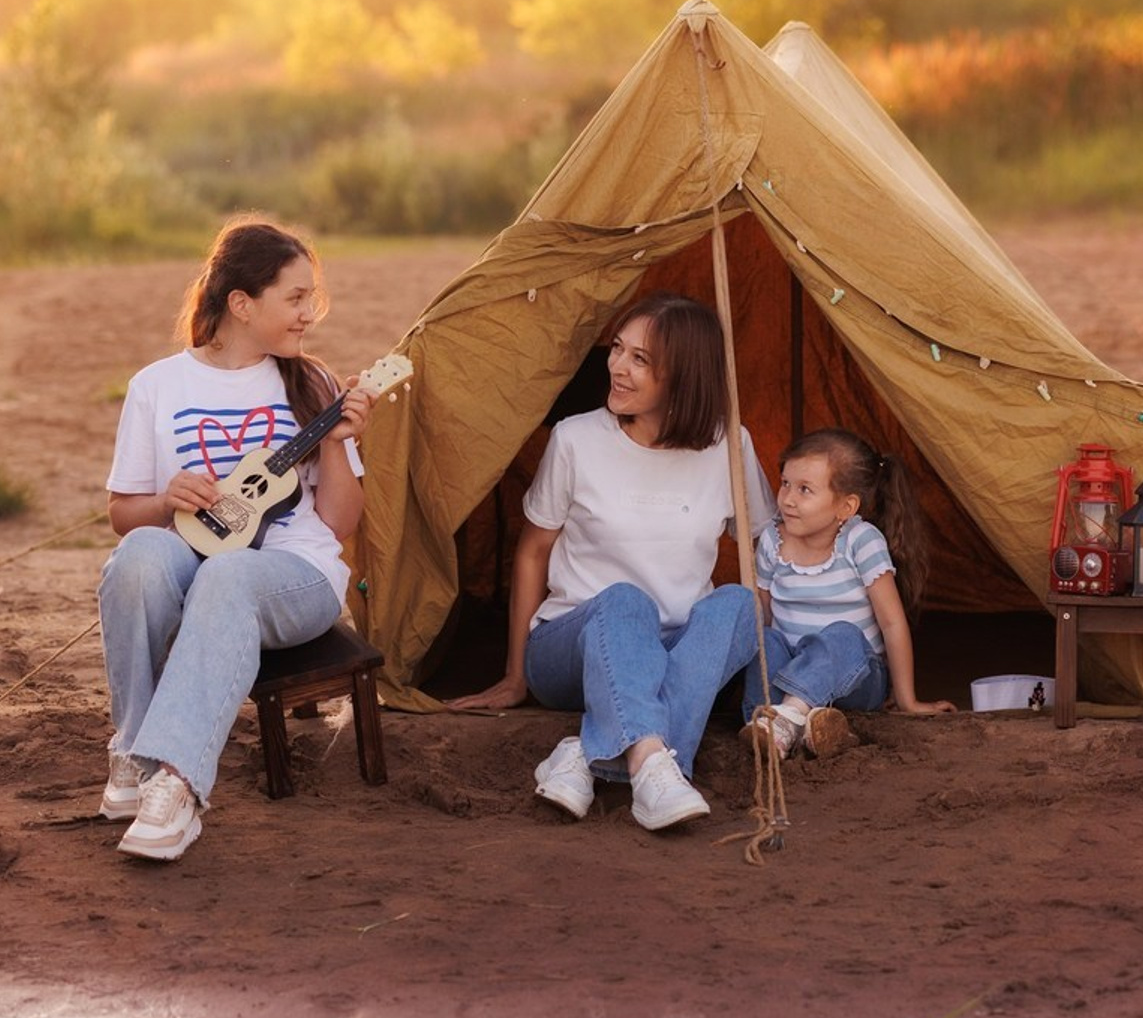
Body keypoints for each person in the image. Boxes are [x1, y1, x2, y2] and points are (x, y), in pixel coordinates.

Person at [97, 216, 380, 861]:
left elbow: (339, 522)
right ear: (242, 304)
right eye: (296, 297)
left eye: (313, 296)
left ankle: (178, 782)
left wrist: (337, 444)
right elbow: (121, 514)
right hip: (191, 558)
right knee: (139, 555)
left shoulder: (314, 384)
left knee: (228, 579)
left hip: (293, 574)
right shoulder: (157, 386)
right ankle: (133, 755)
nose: (310, 313)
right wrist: (167, 499)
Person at [450, 292, 775, 830]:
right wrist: (514, 675)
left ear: (684, 377)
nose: (617, 367)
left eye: (640, 360)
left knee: (740, 603)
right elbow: (533, 552)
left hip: (674, 647)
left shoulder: (727, 444)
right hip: (574, 645)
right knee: (626, 602)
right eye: (618, 349)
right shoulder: (576, 439)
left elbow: (765, 546)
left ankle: (594, 755)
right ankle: (655, 763)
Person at [742, 428, 955, 758]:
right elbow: (765, 614)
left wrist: (906, 700)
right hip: (788, 674)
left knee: (842, 635)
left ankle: (787, 720)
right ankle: (797, 725)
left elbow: (892, 624)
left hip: (856, 680)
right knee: (763, 640)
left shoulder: (861, 541)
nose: (787, 499)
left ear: (845, 507)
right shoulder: (772, 541)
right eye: (784, 483)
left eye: (805, 490)